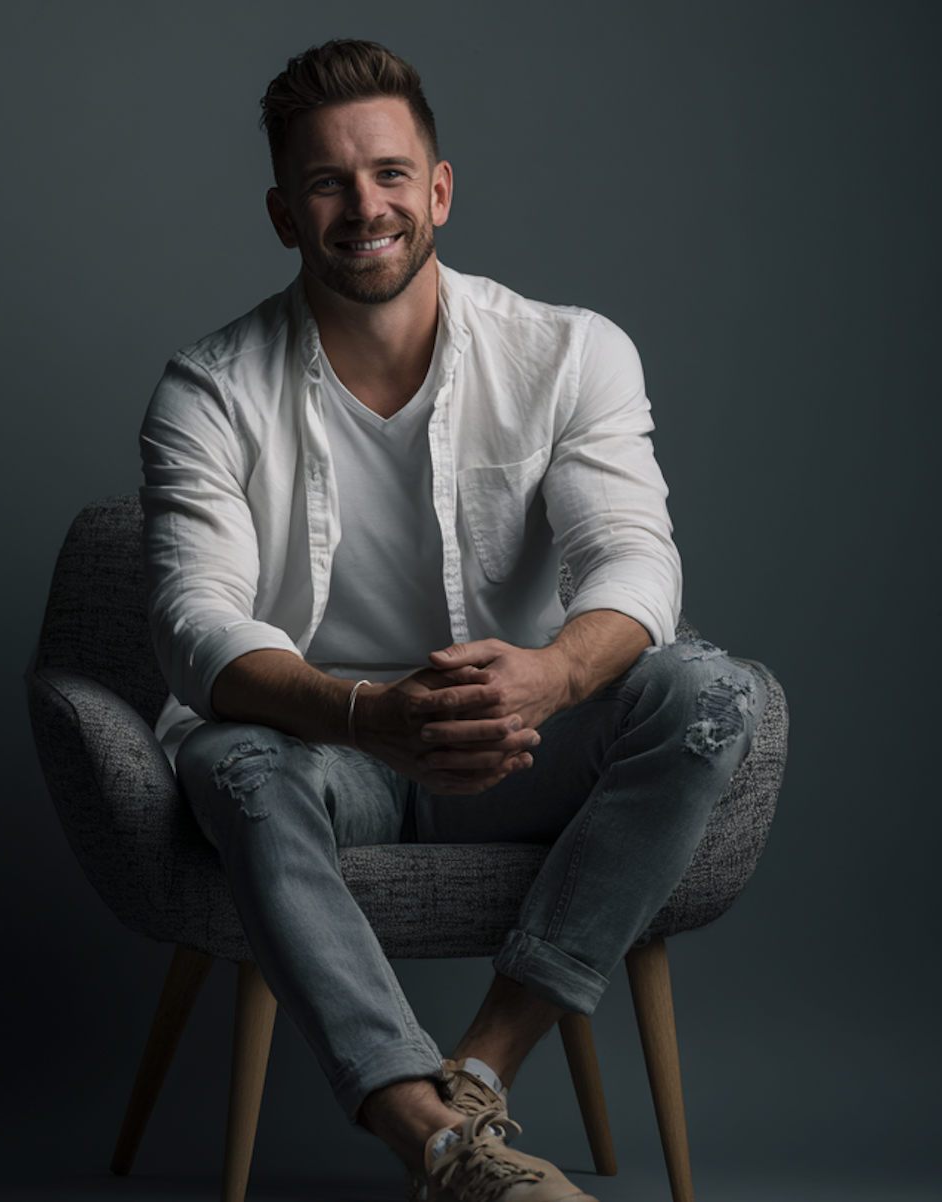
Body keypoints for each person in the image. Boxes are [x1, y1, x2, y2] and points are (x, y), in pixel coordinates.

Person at [139, 39, 767, 1202]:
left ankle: (476, 1072)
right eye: (326, 182)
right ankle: (430, 1139)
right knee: (228, 763)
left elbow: (633, 558)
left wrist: (548, 677)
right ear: (284, 212)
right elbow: (191, 622)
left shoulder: (569, 353)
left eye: (387, 174)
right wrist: (364, 714)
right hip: (326, 750)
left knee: (724, 692)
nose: (362, 206)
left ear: (437, 189)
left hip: (521, 736)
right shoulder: (208, 389)